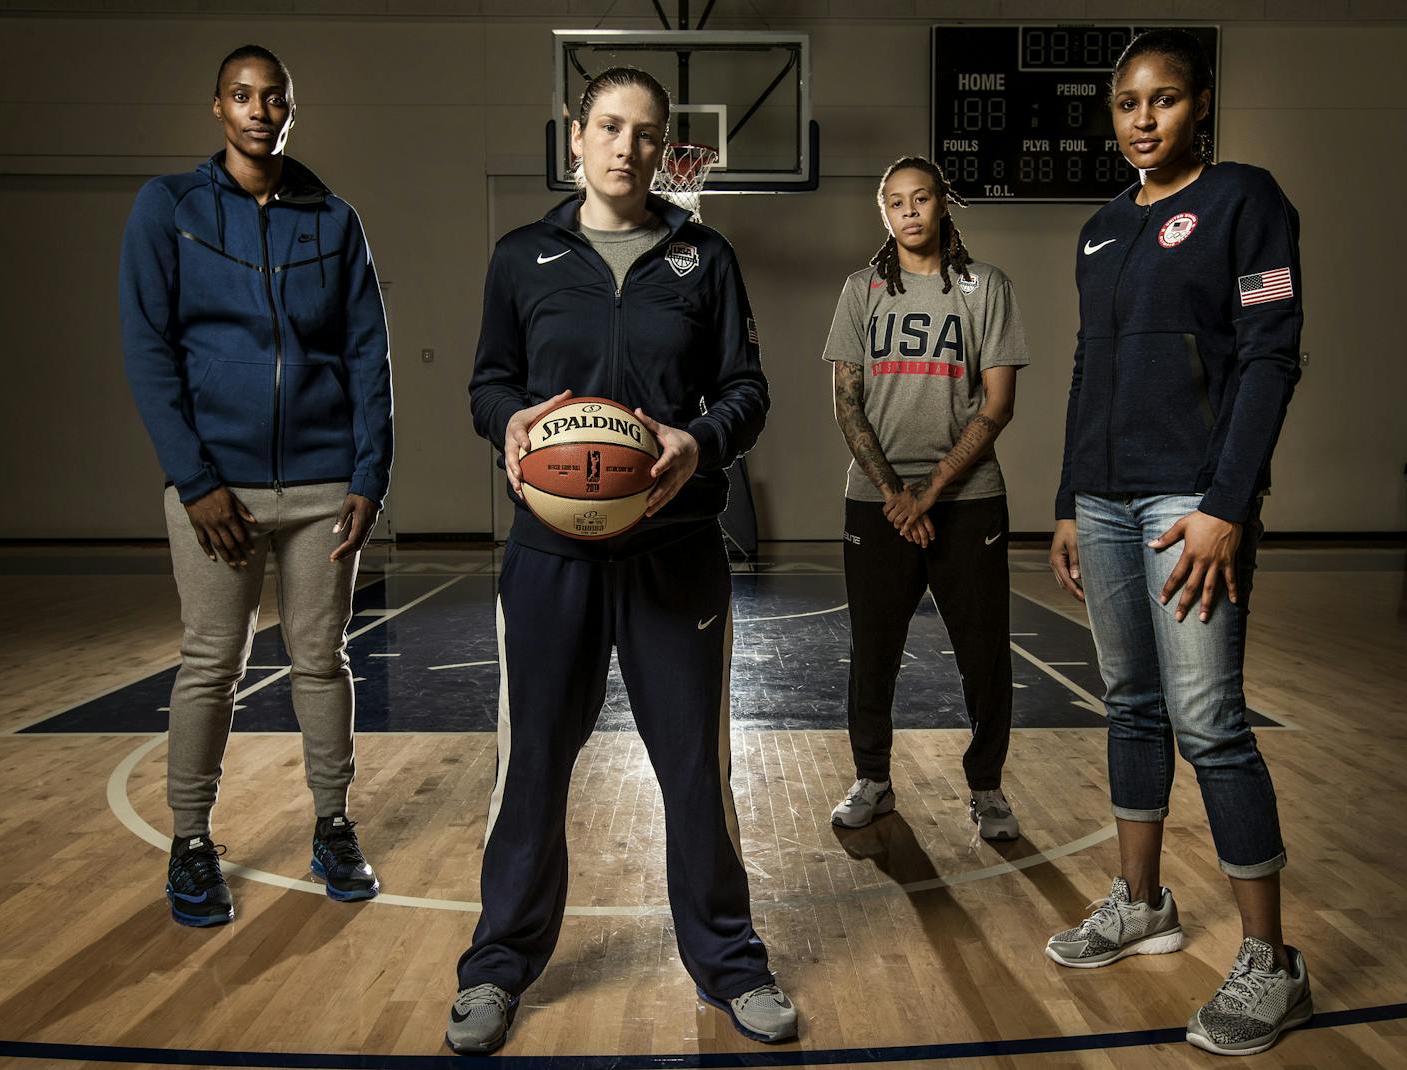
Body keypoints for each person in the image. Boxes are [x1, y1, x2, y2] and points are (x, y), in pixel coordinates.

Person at [450, 67, 796, 1052]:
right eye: (608, 127)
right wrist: (510, 419)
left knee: (694, 769)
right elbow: (486, 385)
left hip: (676, 549)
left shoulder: (705, 258)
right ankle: (496, 965)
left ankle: (730, 961)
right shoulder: (523, 256)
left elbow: (748, 388)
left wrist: (697, 440)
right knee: (530, 768)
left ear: (665, 150)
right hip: (547, 554)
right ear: (575, 137)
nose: (625, 147)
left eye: (646, 134)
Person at [1044, 29, 1310, 1057]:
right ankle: (1140, 901)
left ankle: (1270, 961)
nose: (1140, 119)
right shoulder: (1100, 229)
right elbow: (1082, 369)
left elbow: (1270, 360)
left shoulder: (1246, 200)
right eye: (1124, 104)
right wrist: (1068, 497)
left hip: (1190, 502)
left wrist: (1224, 503)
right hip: (1105, 504)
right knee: (1129, 704)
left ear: (1198, 103)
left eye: (1160, 100)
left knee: (1208, 720)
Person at [120, 45, 394, 927]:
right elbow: (148, 351)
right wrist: (194, 480)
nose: (257, 109)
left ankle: (333, 825)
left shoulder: (334, 217)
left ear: (291, 110)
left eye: (272, 97)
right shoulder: (169, 209)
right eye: (241, 95)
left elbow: (367, 356)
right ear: (218, 108)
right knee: (210, 663)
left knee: (321, 660)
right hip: (218, 492)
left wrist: (369, 472)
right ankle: (191, 841)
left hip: (323, 487)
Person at [822, 156, 1029, 842]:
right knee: (873, 649)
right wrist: (893, 493)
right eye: (896, 203)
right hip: (876, 504)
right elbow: (846, 403)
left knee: (983, 653)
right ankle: (873, 779)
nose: (910, 211)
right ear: (884, 214)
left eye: (922, 198)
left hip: (968, 502)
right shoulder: (860, 290)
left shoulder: (985, 286)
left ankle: (988, 787)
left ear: (944, 205)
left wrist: (930, 493)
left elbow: (997, 405)